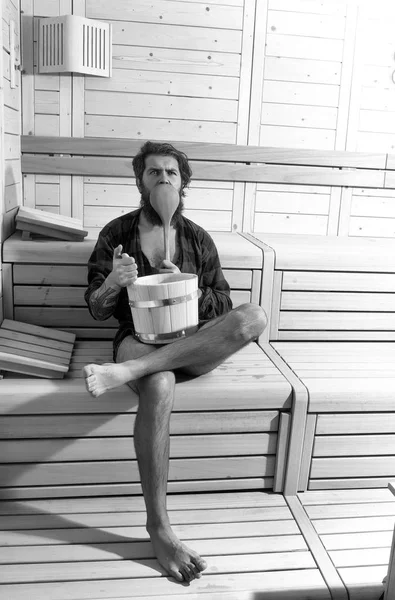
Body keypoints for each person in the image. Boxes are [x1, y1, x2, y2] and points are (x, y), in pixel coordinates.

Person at [83, 141, 267, 584]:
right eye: (153, 172)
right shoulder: (116, 234)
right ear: (140, 181)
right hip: (139, 342)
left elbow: (222, 302)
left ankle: (126, 375)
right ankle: (159, 526)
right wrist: (113, 282)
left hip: (194, 342)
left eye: (171, 172)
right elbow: (96, 308)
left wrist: (186, 285)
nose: (163, 178)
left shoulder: (197, 239)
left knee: (255, 316)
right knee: (160, 383)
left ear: (183, 183)